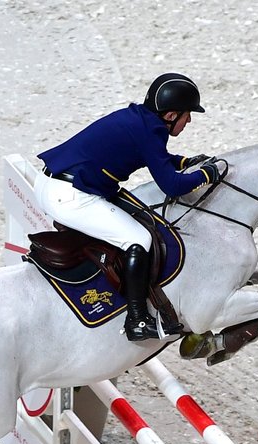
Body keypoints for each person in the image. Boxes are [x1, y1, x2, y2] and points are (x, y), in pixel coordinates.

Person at [34, 73, 221, 341]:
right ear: (170, 115)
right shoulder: (152, 131)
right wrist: (206, 175)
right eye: (187, 114)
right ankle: (137, 320)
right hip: (71, 196)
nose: (189, 120)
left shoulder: (139, 119)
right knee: (139, 239)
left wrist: (184, 162)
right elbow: (173, 186)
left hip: (52, 182)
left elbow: (156, 157)